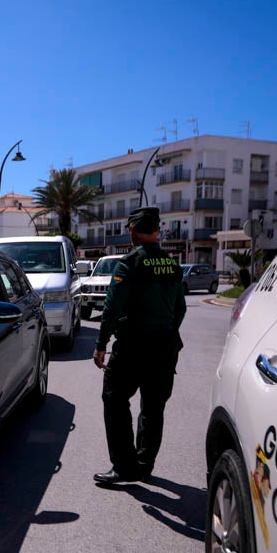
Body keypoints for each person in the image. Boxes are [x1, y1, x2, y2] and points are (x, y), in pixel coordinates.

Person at [91, 206, 186, 485]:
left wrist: (101, 344)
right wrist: (165, 331)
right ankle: (144, 465)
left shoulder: (130, 263)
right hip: (166, 346)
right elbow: (180, 309)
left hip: (133, 345)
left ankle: (124, 466)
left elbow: (112, 308)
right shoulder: (172, 264)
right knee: (154, 406)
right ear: (157, 232)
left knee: (115, 399)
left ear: (133, 230)